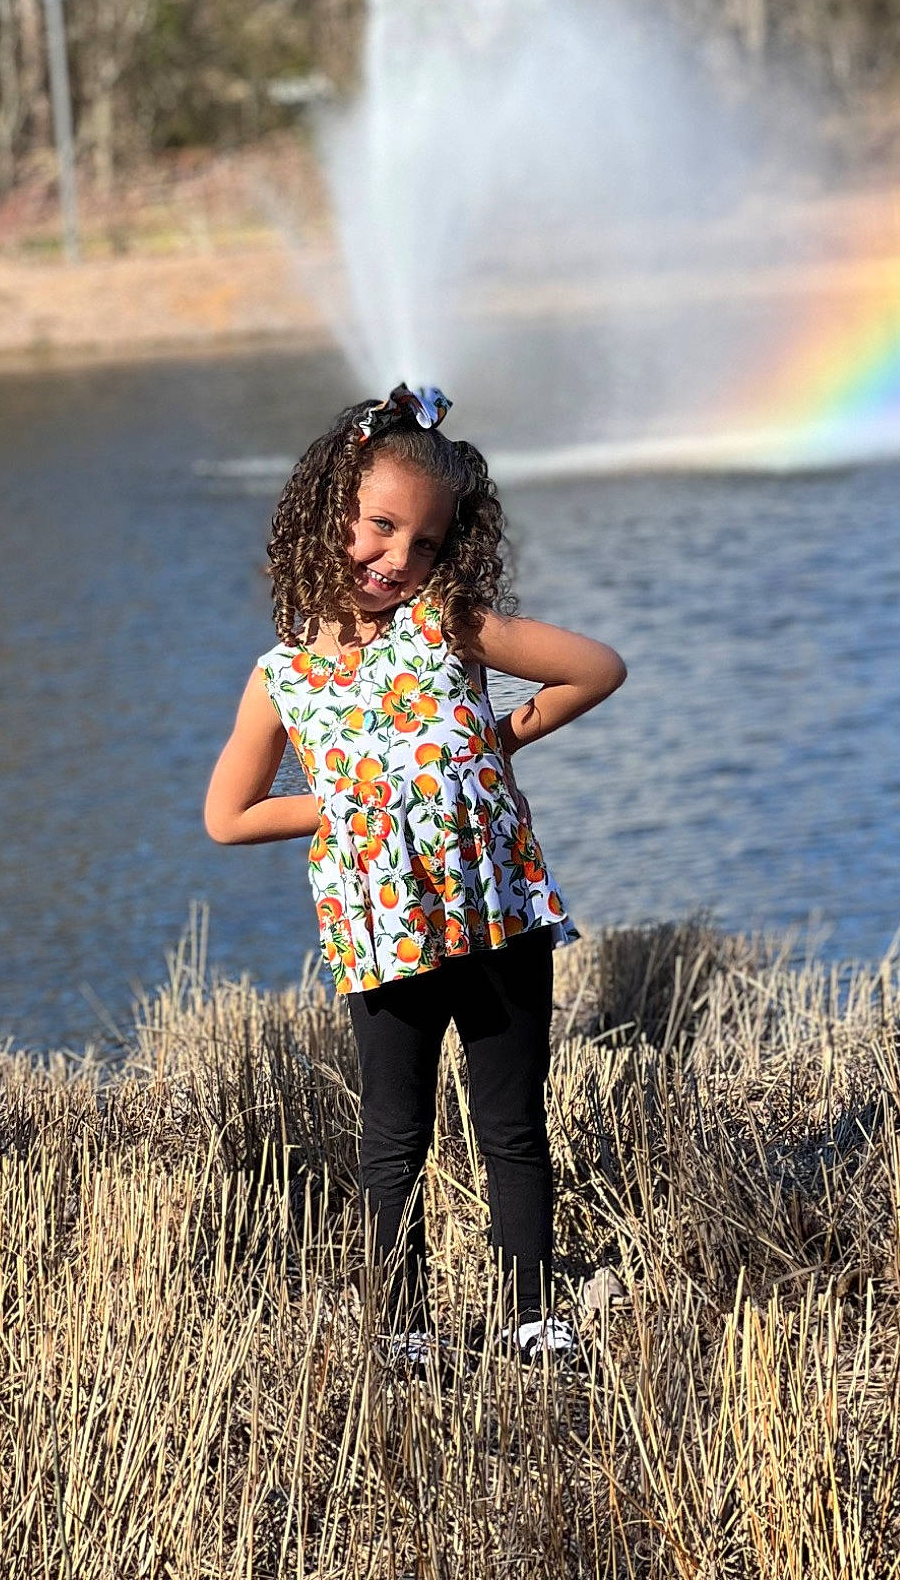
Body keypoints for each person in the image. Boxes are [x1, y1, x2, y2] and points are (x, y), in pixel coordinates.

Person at [204, 384, 626, 1361]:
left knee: (511, 1120)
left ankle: (533, 1314)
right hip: (383, 929)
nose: (401, 557)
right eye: (382, 526)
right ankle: (403, 1326)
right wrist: (350, 799)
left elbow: (594, 668)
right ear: (326, 514)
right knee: (395, 1136)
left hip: (497, 912)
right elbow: (228, 815)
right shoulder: (283, 676)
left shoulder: (446, 624)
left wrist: (494, 741)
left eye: (428, 542)